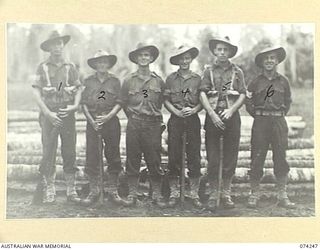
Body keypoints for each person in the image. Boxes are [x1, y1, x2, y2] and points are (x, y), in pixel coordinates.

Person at [32, 31, 82, 204]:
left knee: (70, 151)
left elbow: (79, 88)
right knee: (49, 152)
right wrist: (48, 114)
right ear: (49, 47)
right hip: (49, 115)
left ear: (63, 45)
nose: (58, 47)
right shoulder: (42, 67)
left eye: (60, 43)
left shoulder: (71, 67)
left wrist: (75, 106)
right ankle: (50, 188)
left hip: (67, 114)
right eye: (54, 44)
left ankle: (71, 189)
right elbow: (36, 93)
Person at [199, 36, 246, 210]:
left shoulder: (237, 71)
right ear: (214, 51)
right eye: (219, 49)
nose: (222, 53)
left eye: (225, 50)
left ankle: (225, 193)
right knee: (213, 157)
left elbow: (243, 93)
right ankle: (213, 193)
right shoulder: (208, 71)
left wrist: (231, 110)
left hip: (232, 117)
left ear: (230, 52)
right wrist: (212, 114)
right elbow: (202, 93)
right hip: (213, 118)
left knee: (230, 156)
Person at [246, 46, 295, 209]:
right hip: (260, 122)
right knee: (257, 156)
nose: (269, 61)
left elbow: (288, 101)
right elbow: (248, 103)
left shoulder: (283, 81)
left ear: (277, 61)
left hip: (279, 122)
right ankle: (254, 193)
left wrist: (277, 116)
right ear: (261, 62)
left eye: (272, 58)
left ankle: (282, 194)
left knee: (280, 157)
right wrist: (260, 115)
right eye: (265, 58)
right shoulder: (255, 81)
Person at [120, 43, 166, 207]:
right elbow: (124, 103)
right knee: (132, 159)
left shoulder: (159, 81)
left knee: (154, 160)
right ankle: (132, 194)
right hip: (135, 124)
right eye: (140, 55)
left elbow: (160, 102)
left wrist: (150, 116)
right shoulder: (128, 80)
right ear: (136, 59)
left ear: (152, 58)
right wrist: (134, 116)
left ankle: (157, 195)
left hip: (152, 125)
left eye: (147, 55)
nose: (144, 58)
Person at [81, 50, 127, 206]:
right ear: (94, 65)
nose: (102, 65)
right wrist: (92, 121)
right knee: (92, 156)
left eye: (104, 62)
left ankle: (113, 189)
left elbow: (120, 102)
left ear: (108, 64)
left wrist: (108, 117)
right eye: (99, 62)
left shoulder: (115, 81)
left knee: (113, 155)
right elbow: (83, 104)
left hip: (111, 122)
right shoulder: (87, 81)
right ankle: (94, 190)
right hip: (93, 122)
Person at [163, 45, 202, 207]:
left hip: (193, 120)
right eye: (181, 58)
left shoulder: (198, 79)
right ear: (177, 61)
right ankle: (175, 192)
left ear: (191, 59)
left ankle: (194, 193)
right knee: (174, 156)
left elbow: (203, 100)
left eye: (187, 58)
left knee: (194, 156)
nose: (184, 61)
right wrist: (176, 112)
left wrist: (194, 110)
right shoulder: (171, 79)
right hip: (176, 120)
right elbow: (165, 100)